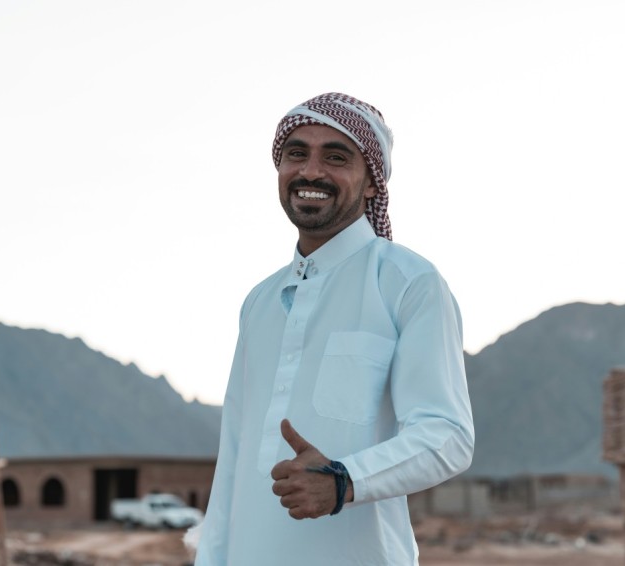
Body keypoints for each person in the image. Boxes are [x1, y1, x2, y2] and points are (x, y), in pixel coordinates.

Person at [194, 92, 474, 566]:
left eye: (336, 157)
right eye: (296, 154)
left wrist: (344, 480)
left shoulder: (407, 282)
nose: (311, 171)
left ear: (371, 184)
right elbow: (233, 462)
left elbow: (448, 435)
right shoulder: (259, 302)